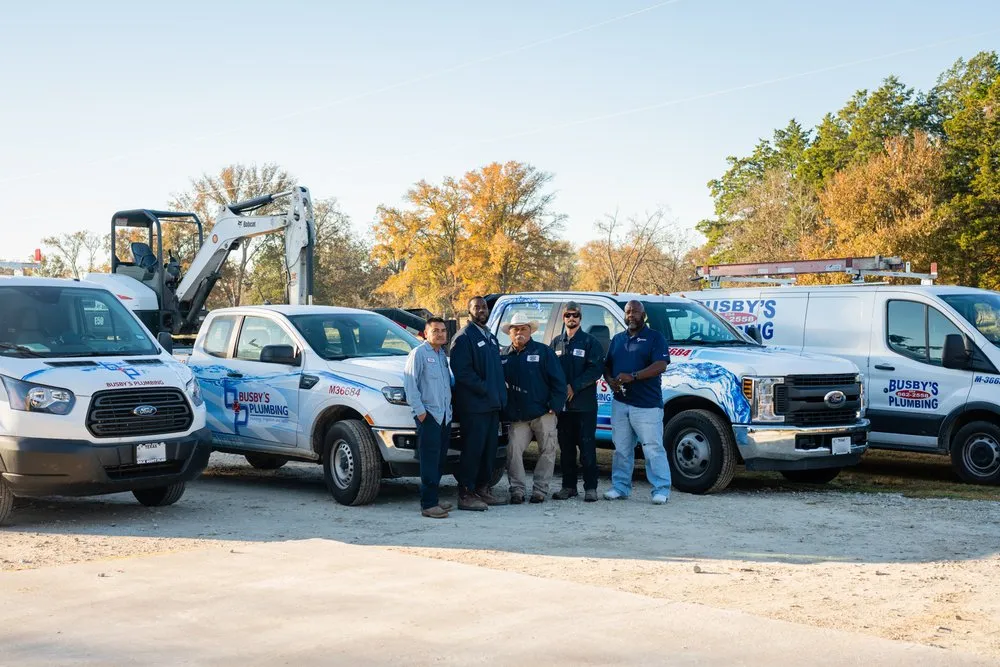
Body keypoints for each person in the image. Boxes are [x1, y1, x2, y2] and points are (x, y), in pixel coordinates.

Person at [603, 300, 672, 504]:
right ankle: (620, 487)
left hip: (647, 405)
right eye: (628, 312)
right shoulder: (617, 339)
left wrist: (633, 376)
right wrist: (610, 381)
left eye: (635, 312)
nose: (631, 315)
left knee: (652, 448)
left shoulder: (654, 338)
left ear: (643, 315)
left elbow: (661, 365)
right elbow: (607, 366)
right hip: (620, 403)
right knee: (621, 449)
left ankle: (661, 489)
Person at [501, 312, 567, 504]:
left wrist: (555, 406)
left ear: (530, 331)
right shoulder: (503, 355)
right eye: (515, 329)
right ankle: (517, 490)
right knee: (513, 450)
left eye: (523, 329)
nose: (519, 332)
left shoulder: (543, 352)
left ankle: (540, 490)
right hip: (517, 416)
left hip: (543, 412)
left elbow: (559, 381)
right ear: (510, 333)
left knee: (547, 450)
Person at [449, 296, 507, 511]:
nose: (482, 310)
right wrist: (485, 388)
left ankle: (483, 489)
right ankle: (465, 493)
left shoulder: (490, 337)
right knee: (473, 449)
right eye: (477, 307)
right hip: (474, 406)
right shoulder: (464, 337)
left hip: (492, 405)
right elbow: (462, 372)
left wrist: (499, 395)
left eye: (484, 307)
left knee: (488, 450)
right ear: (469, 311)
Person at [550, 302, 605, 502]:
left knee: (587, 449)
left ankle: (591, 488)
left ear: (581, 318)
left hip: (584, 406)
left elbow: (596, 369)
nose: (571, 318)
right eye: (567, 315)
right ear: (563, 318)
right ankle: (568, 487)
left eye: (575, 315)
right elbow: (550, 371)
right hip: (564, 408)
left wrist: (575, 386)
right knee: (565, 450)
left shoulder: (591, 342)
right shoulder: (556, 343)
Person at [403, 317, 455, 519]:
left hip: (444, 416)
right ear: (426, 333)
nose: (441, 334)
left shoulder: (441, 355)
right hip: (430, 416)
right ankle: (428, 504)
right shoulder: (418, 354)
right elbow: (410, 384)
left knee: (440, 460)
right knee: (429, 461)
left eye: (443, 330)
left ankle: (435, 498)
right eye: (436, 330)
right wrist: (421, 413)